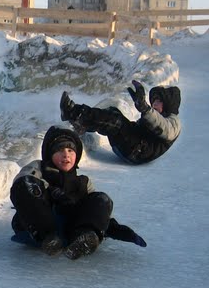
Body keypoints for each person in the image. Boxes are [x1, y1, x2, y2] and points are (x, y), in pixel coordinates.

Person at [10, 125, 146, 259]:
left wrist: (113, 228)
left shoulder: (83, 182)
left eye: (70, 150)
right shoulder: (39, 168)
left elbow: (94, 211)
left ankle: (84, 238)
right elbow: (21, 182)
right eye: (59, 150)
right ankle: (49, 237)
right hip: (37, 225)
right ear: (49, 153)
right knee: (25, 185)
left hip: (69, 227)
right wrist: (49, 189)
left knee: (101, 199)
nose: (66, 155)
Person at [60, 80, 181, 166]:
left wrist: (145, 108)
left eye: (159, 101)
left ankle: (73, 113)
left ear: (169, 104)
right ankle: (82, 124)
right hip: (135, 147)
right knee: (113, 112)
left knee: (116, 122)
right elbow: (139, 127)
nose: (154, 103)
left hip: (137, 152)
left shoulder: (173, 122)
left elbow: (164, 129)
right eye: (154, 100)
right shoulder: (156, 118)